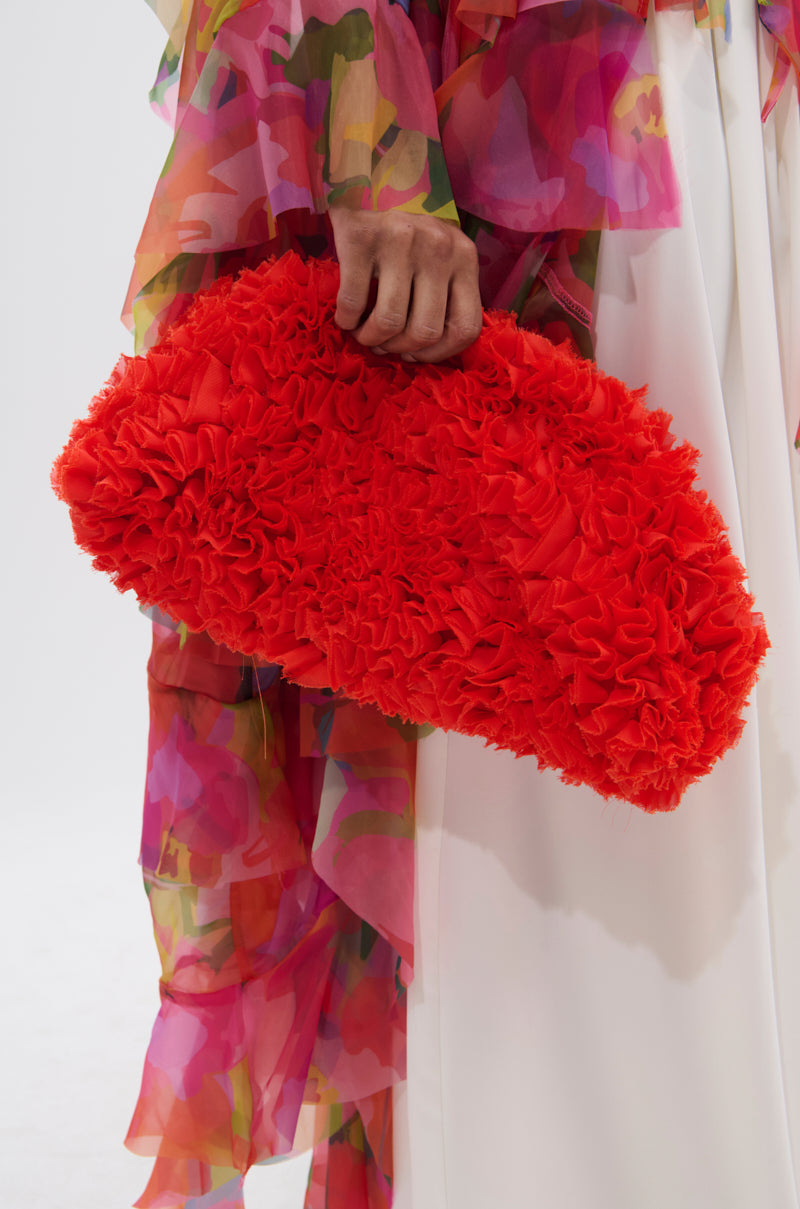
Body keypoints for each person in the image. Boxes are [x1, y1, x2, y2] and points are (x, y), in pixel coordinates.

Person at [123, 2, 800, 1207]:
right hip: (540, 131)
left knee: (721, 763)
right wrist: (365, 133)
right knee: (547, 779)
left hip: (719, 102)